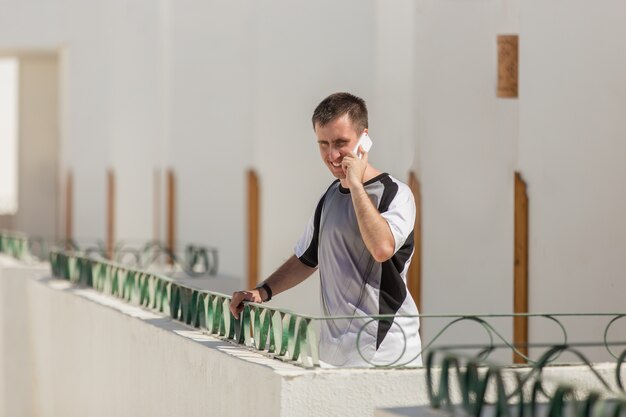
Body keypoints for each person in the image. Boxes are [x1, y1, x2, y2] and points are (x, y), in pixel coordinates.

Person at [230, 92, 421, 367]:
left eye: (341, 143)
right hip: (336, 357)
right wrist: (262, 291)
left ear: (363, 139)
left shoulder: (395, 194)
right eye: (323, 144)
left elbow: (381, 248)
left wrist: (355, 185)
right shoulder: (330, 196)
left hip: (386, 354)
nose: (332, 155)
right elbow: (306, 258)